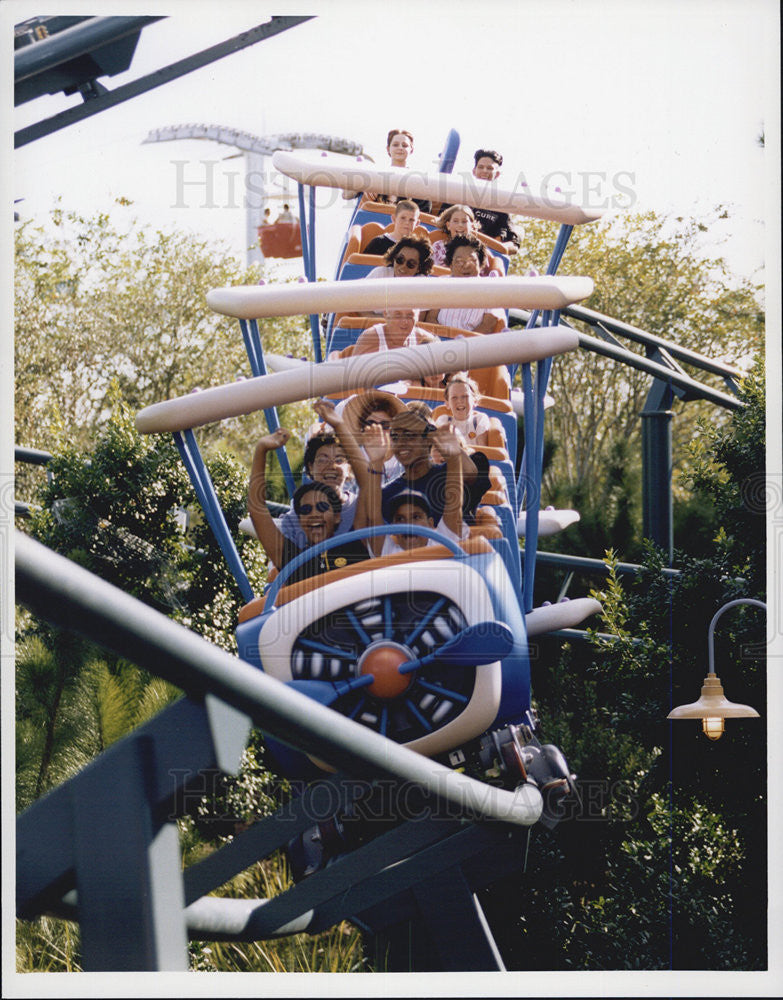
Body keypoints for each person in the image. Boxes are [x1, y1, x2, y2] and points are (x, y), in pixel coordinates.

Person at [248, 401, 382, 583]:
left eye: (322, 507)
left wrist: (339, 425)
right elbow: (257, 510)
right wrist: (261, 450)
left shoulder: (355, 543)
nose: (314, 514)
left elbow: (368, 484)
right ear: (300, 520)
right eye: (305, 510)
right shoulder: (295, 561)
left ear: (337, 517)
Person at [363, 422, 468, 557]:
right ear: (393, 528)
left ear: (430, 524)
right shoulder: (387, 552)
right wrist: (376, 462)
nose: (408, 524)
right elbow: (372, 515)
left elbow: (454, 503)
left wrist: (454, 458)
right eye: (400, 519)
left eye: (416, 517)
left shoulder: (444, 542)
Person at [380, 404, 491, 527]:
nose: (401, 443)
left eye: (409, 435)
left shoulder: (451, 473)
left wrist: (429, 431)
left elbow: (470, 474)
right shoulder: (387, 494)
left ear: (428, 439)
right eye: (395, 438)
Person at [440, 149, 520, 256]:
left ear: (497, 174)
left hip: (481, 255)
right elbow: (438, 222)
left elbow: (513, 243)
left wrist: (496, 250)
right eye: (481, 167)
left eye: (490, 168)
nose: (485, 171)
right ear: (474, 171)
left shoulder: (500, 204)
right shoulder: (458, 194)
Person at [422, 235, 506, 333]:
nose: (466, 266)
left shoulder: (490, 290)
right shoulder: (441, 284)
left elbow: (488, 325)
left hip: (473, 344)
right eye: (459, 261)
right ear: (451, 265)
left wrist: (462, 343)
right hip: (439, 341)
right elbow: (431, 318)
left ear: (480, 264)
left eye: (472, 261)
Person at [430, 204, 502, 276]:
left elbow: (489, 271)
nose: (460, 225)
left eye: (464, 221)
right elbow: (431, 270)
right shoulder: (438, 246)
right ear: (448, 225)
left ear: (472, 226)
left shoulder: (479, 248)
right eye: (455, 221)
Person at [436, 372, 492, 446]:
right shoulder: (444, 421)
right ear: (447, 403)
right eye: (454, 398)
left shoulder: (479, 420)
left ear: (474, 400)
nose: (459, 401)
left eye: (465, 396)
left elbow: (482, 451)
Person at [365, 235, 434, 279]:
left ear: (419, 268)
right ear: (394, 257)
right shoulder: (380, 274)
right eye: (400, 259)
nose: (403, 266)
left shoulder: (421, 284)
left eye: (411, 264)